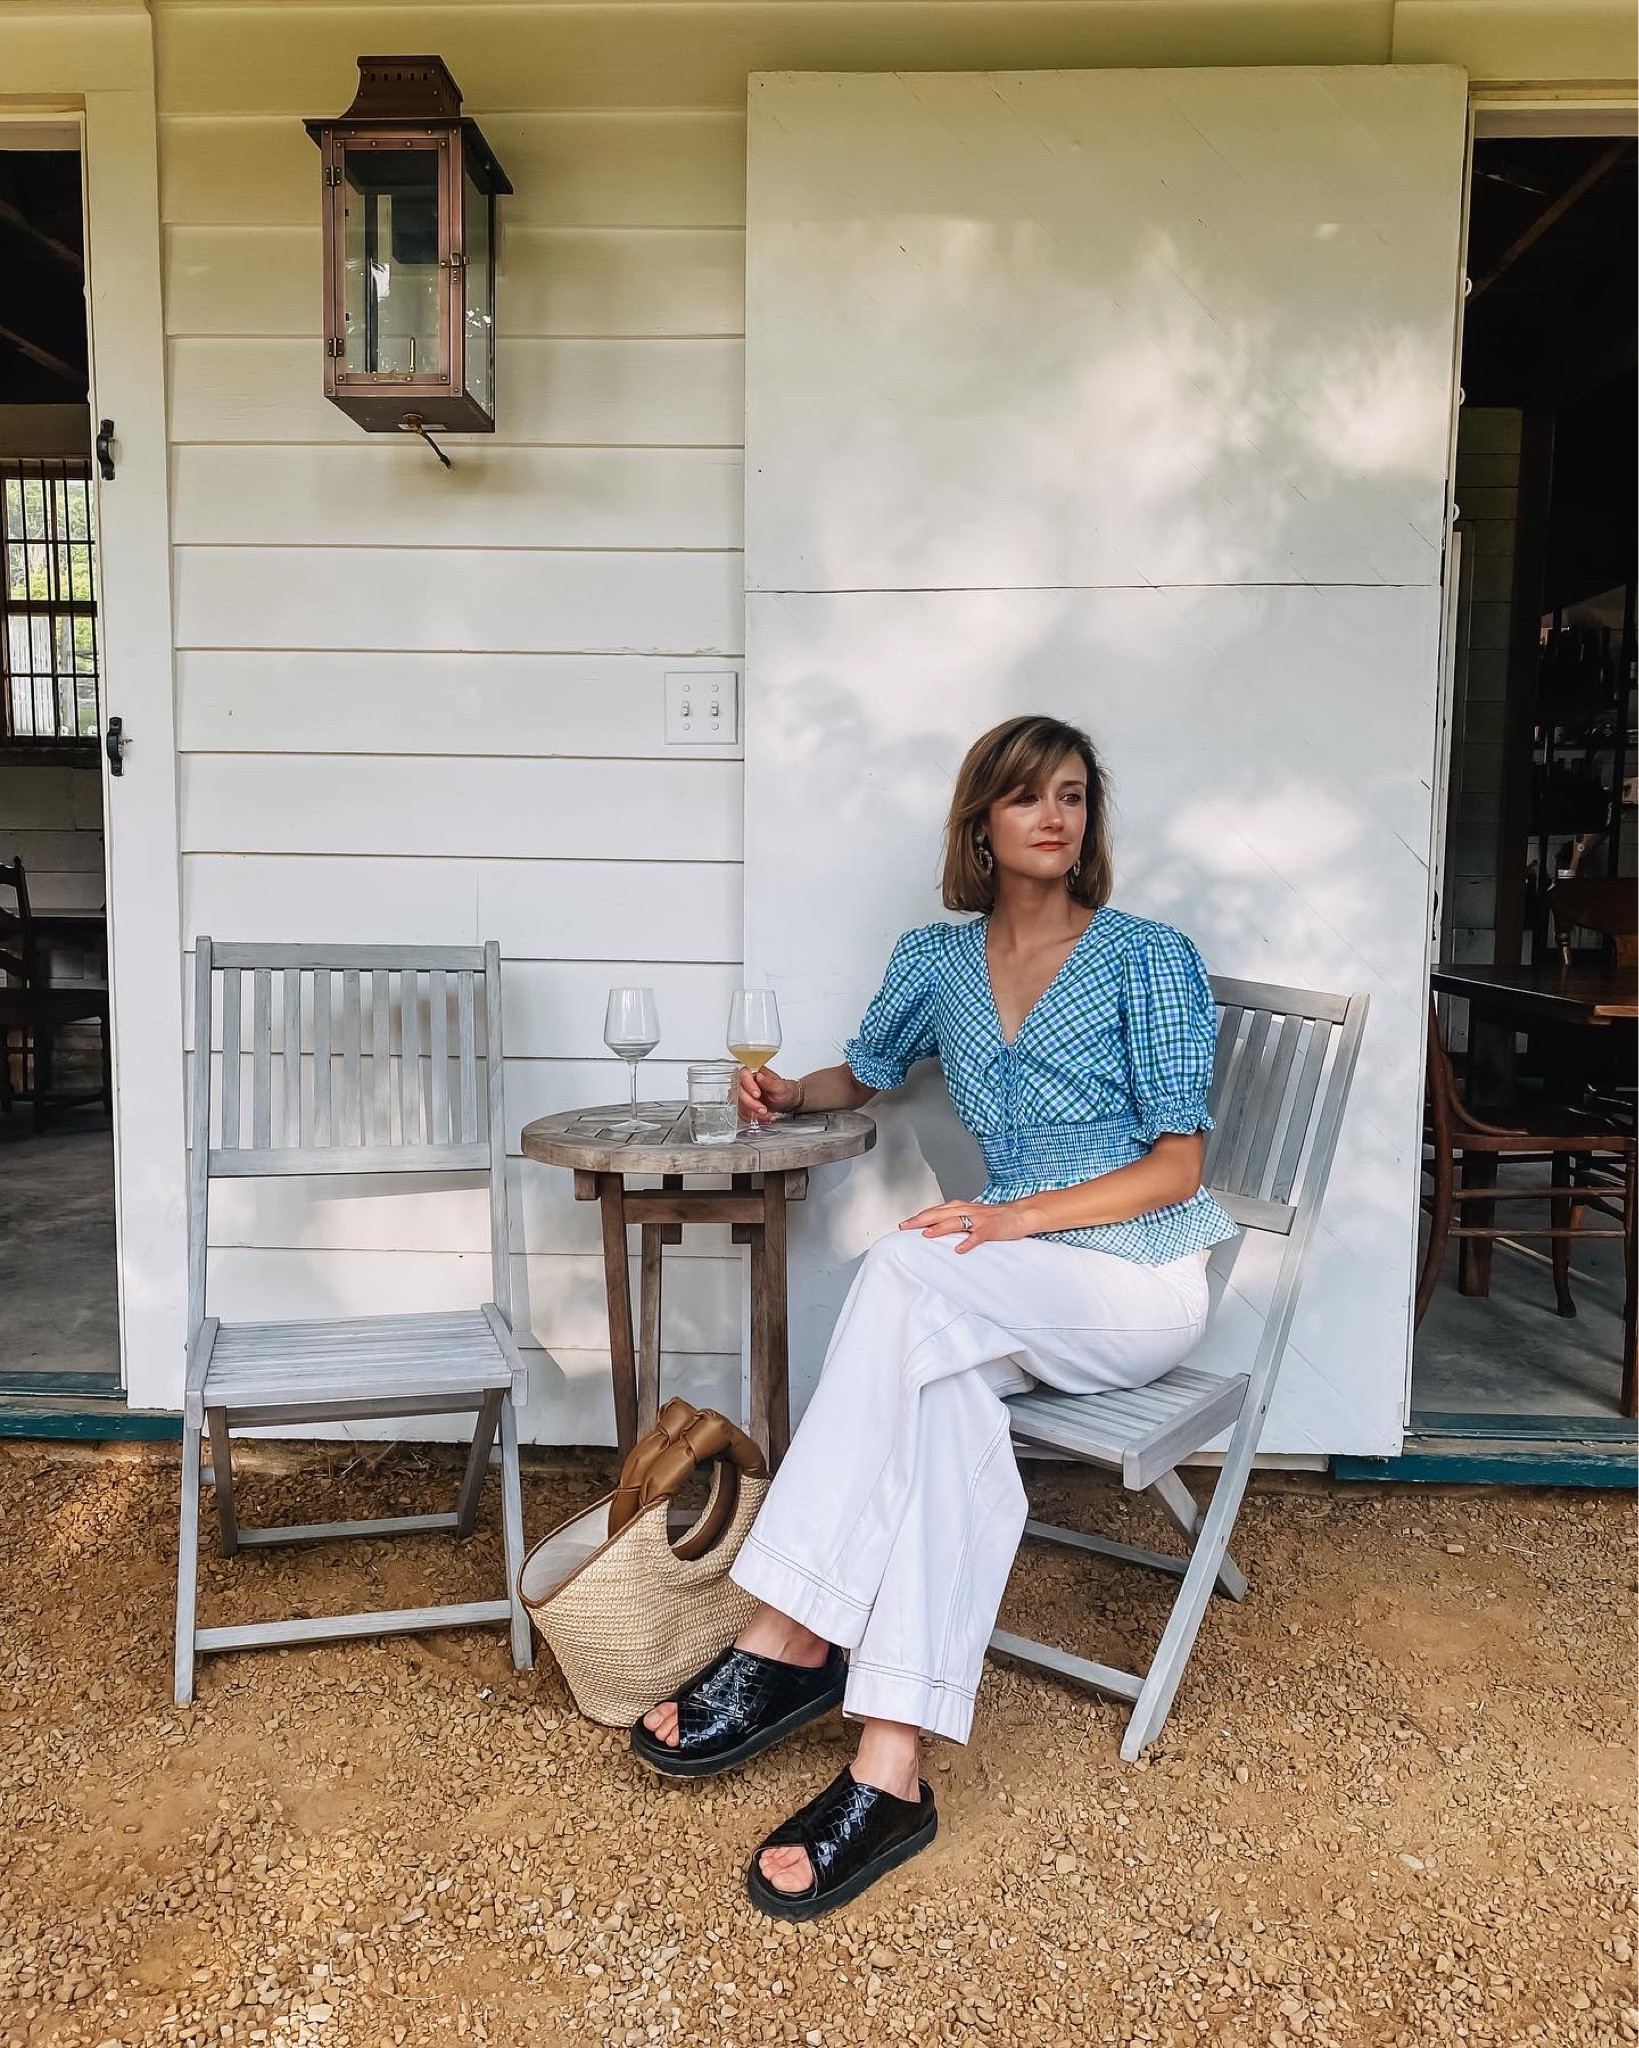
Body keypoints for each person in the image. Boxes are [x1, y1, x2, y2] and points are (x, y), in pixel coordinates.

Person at [631, 714, 1237, 1920]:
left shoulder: (1145, 955)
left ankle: (788, 1634)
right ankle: (889, 1762)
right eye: (1026, 798)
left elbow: (1177, 1167)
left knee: (910, 1261)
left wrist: (1018, 1219)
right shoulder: (936, 960)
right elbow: (860, 1072)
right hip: (994, 1294)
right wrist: (779, 1087)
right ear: (981, 822)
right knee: (940, 1394)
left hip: (1132, 1279)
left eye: (1071, 795)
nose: (1054, 816)